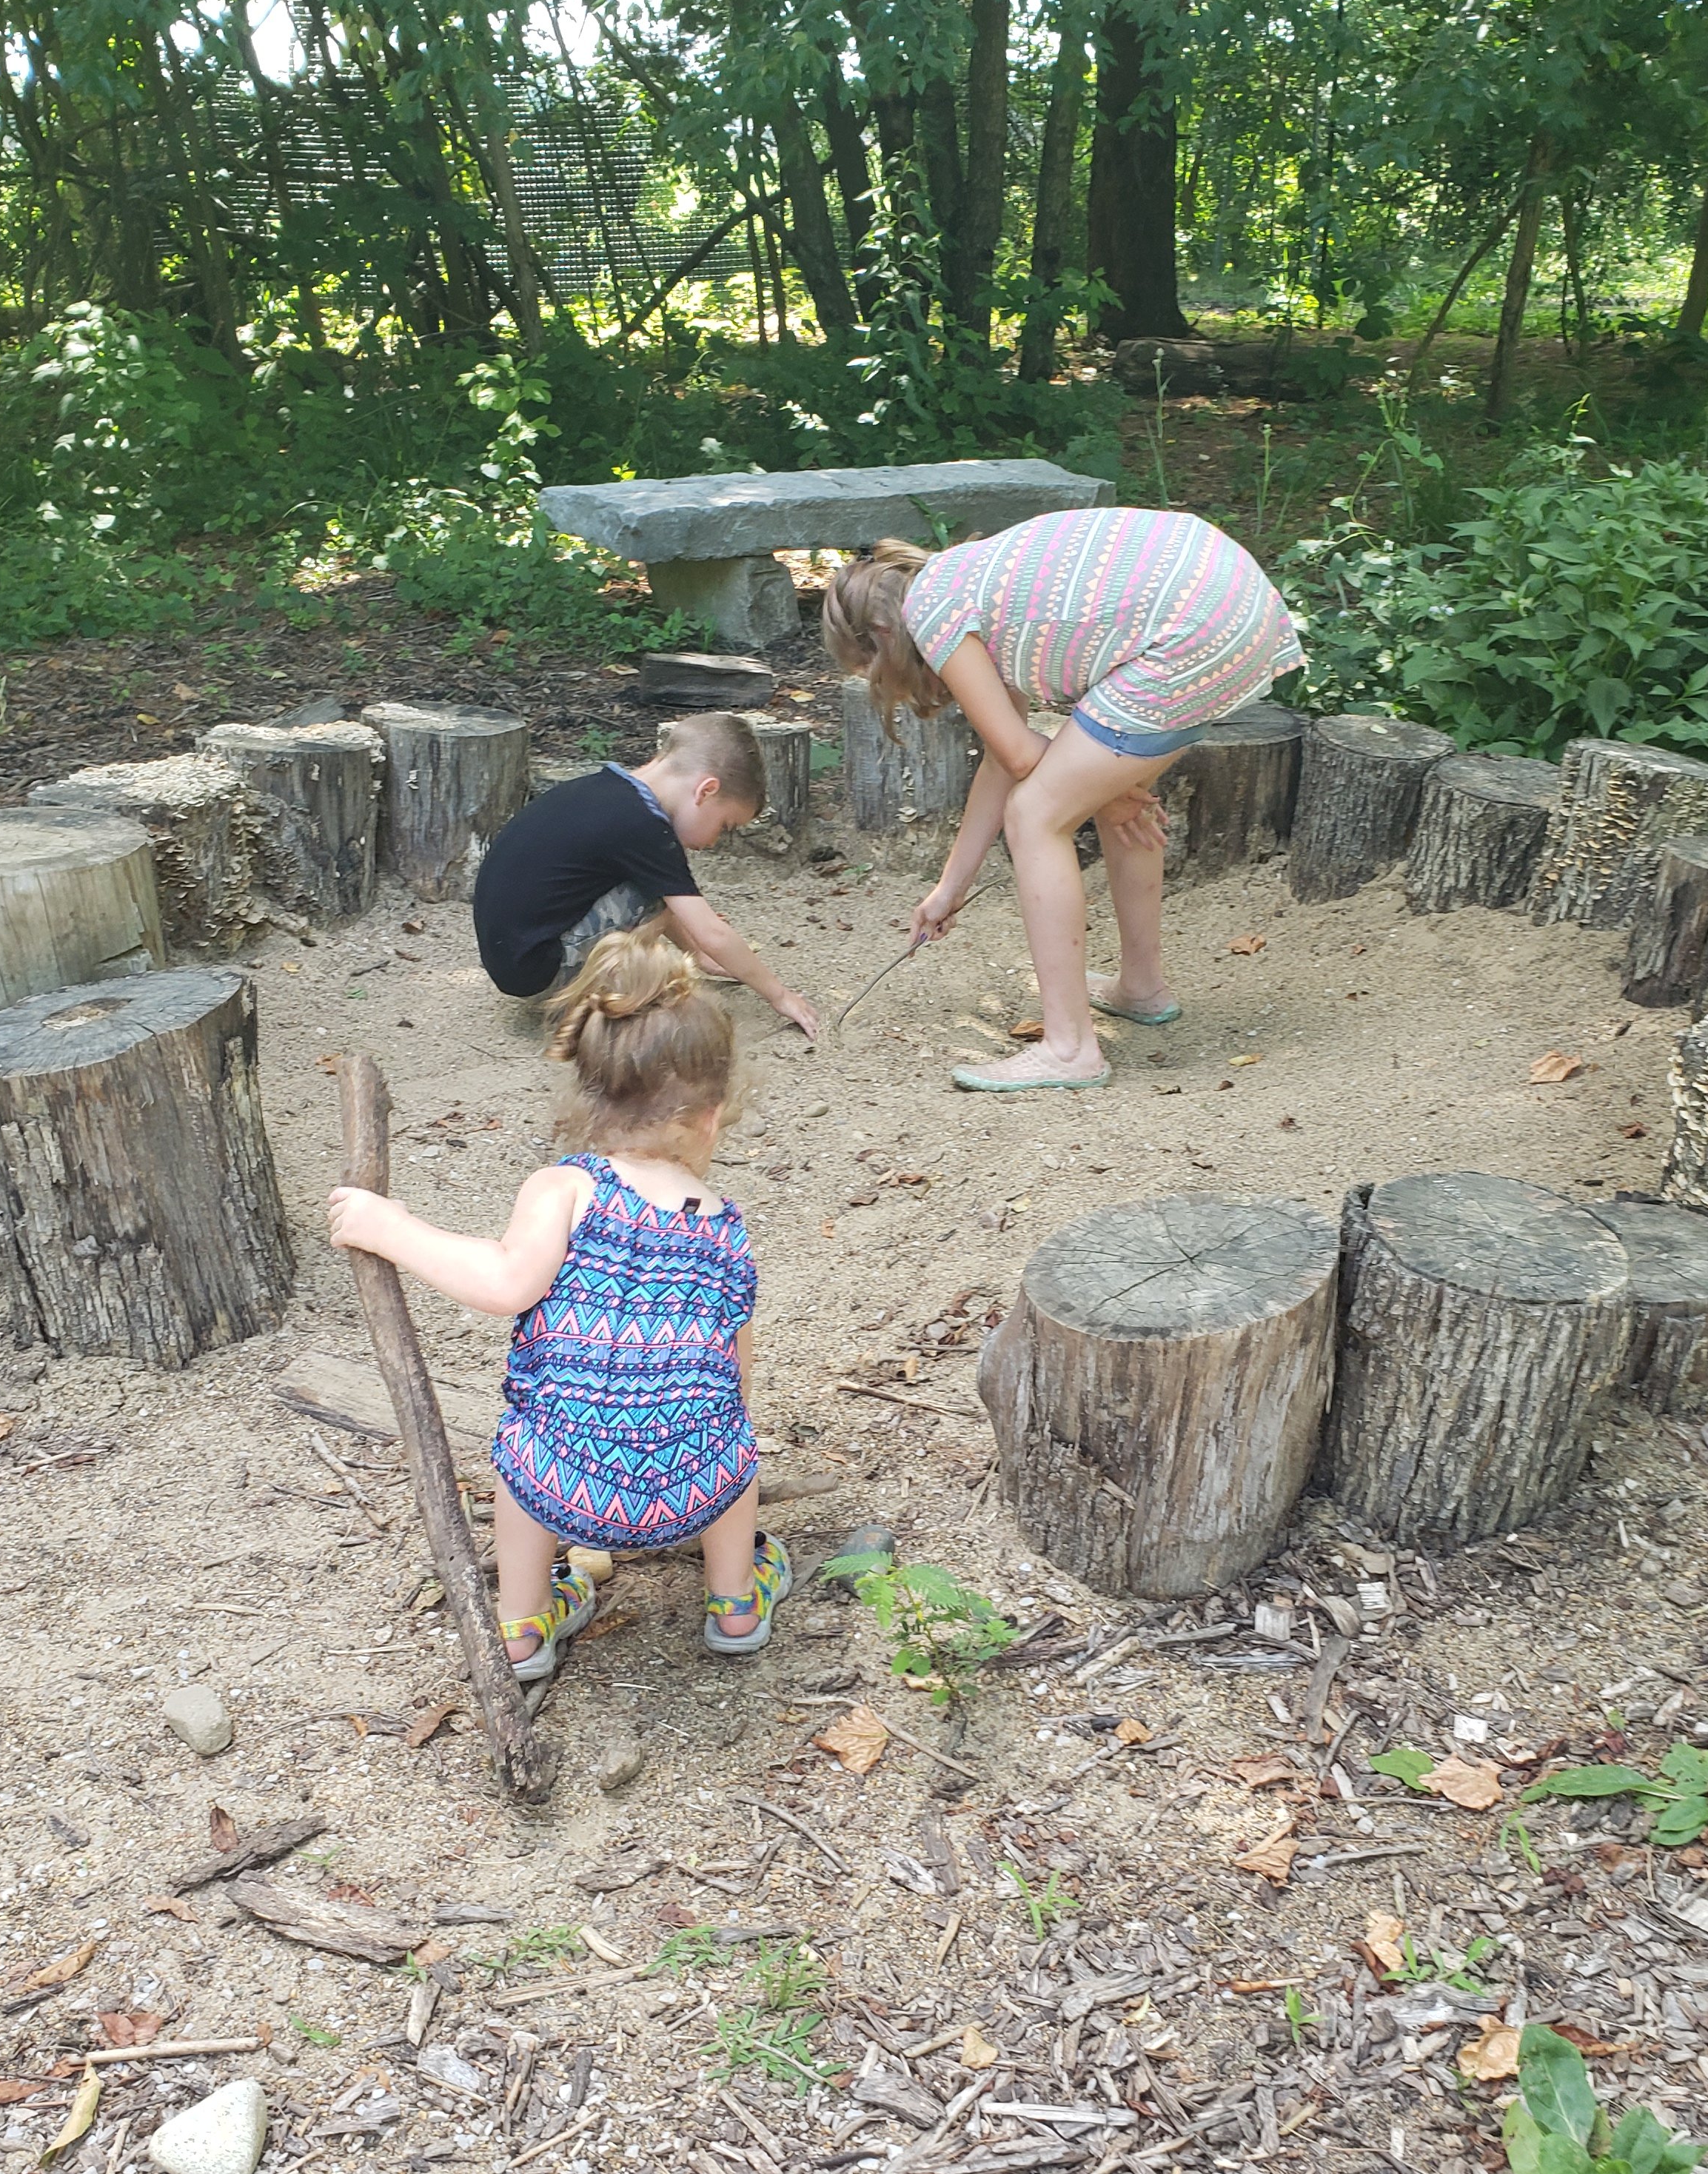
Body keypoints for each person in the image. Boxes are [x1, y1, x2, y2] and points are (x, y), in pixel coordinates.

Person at [326, 926, 789, 1685]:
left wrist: (395, 1229)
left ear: (591, 1092)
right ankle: (735, 1602)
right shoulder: (725, 1224)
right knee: (734, 1437)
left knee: (524, 1445)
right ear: (710, 1115)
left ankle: (521, 1625)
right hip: (696, 1489)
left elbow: (507, 1282)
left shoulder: (567, 1189)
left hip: (566, 1488)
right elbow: (734, 1373)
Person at [822, 508, 1302, 1091]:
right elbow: (1005, 758)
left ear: (882, 638)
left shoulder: (932, 613)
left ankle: (1070, 1048)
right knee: (1092, 795)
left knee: (1035, 815)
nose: (884, 684)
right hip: (1226, 603)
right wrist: (951, 888)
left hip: (1192, 627)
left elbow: (1025, 763)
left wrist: (1115, 794)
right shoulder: (964, 583)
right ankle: (1142, 988)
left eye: (870, 670)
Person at [472, 711, 817, 1038]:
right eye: (724, 826)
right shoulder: (644, 827)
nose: (714, 841)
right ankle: (603, 997)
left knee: (659, 885)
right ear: (706, 791)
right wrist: (779, 995)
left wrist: (697, 956)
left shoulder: (604, 790)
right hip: (542, 974)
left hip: (516, 959)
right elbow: (712, 932)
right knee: (657, 889)